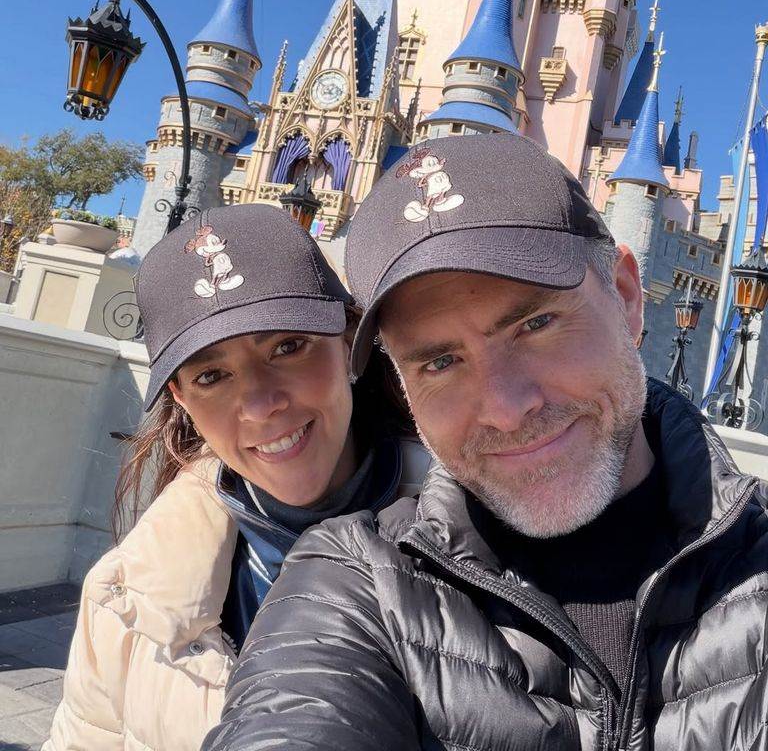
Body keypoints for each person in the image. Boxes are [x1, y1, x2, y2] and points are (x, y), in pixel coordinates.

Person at [204, 134, 768, 751]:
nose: (504, 408)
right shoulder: (356, 586)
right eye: (440, 362)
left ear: (627, 297)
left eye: (536, 323)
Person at [44, 204, 428, 751]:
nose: (260, 404)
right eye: (211, 375)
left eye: (287, 347)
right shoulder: (125, 603)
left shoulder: (490, 546)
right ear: (181, 398)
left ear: (347, 342)